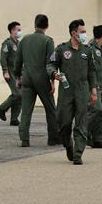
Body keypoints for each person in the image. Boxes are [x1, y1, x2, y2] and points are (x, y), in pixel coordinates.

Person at [48, 19, 98, 165]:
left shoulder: (87, 51)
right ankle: (68, 145)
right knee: (63, 123)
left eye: (84, 32)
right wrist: (54, 75)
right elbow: (51, 64)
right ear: (73, 33)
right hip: (66, 91)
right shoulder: (62, 49)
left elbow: (92, 72)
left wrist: (93, 91)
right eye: (82, 32)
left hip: (82, 91)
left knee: (81, 123)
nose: (84, 35)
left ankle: (78, 154)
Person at [13, 14, 61, 147]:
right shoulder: (48, 41)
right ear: (47, 26)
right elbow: (50, 62)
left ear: (35, 25)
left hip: (27, 78)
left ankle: (24, 139)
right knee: (50, 109)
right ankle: (53, 137)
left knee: (26, 109)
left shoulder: (24, 40)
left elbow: (18, 61)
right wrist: (52, 81)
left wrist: (18, 76)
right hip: (43, 78)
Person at [86, 24, 102, 148]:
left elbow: (100, 64)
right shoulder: (90, 48)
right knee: (95, 109)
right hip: (95, 85)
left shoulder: (101, 48)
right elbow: (89, 68)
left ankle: (98, 139)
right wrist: (92, 87)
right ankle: (83, 133)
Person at [0, 21, 22, 126]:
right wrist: (5, 71)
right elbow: (3, 58)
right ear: (12, 31)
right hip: (11, 71)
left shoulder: (19, 44)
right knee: (17, 94)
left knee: (21, 96)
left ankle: (14, 119)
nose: (20, 32)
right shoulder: (7, 43)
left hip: (19, 73)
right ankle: (1, 108)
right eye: (18, 30)